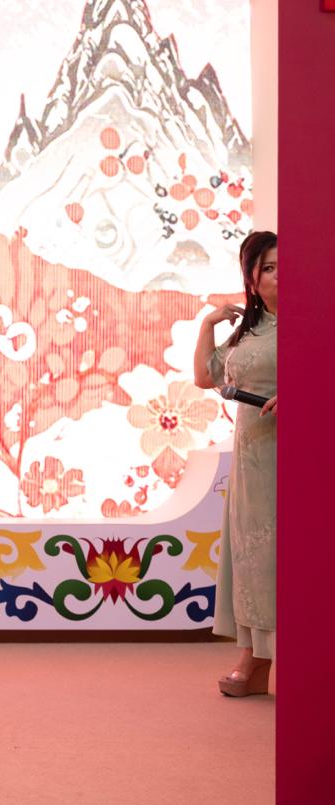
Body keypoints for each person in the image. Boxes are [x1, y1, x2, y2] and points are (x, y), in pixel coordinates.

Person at [192, 230, 277, 697]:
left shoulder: (314, 320)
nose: (277, 276)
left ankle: (282, 657)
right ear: (251, 277)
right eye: (266, 268)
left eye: (283, 266)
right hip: (252, 457)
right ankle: (256, 657)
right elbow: (206, 376)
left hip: (302, 452)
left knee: (291, 553)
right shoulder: (252, 329)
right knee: (253, 555)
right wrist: (209, 324)